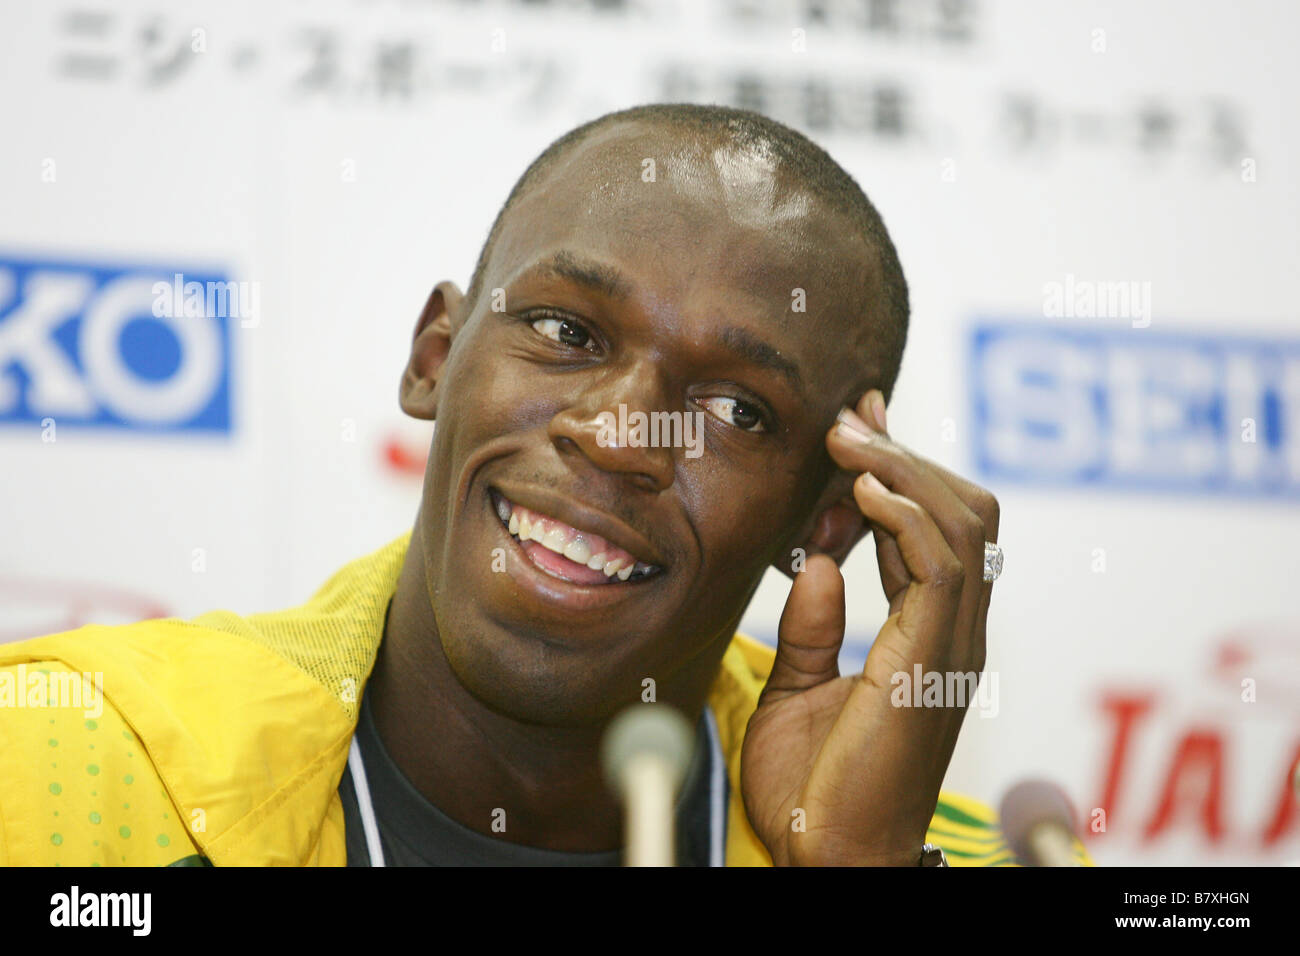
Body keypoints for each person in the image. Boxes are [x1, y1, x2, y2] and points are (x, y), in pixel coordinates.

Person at [0, 103, 1088, 866]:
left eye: (735, 409)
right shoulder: (63, 766)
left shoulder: (976, 857)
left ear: (823, 517)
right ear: (435, 357)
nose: (620, 433)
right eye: (565, 330)